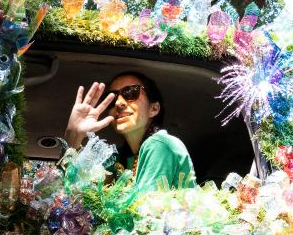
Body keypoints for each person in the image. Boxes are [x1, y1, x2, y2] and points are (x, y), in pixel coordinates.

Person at [64, 72, 195, 193]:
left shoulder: (160, 144)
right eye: (112, 98)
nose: (118, 103)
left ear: (154, 109)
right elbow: (72, 195)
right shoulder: (115, 159)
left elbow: (142, 209)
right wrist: (73, 136)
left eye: (131, 92)